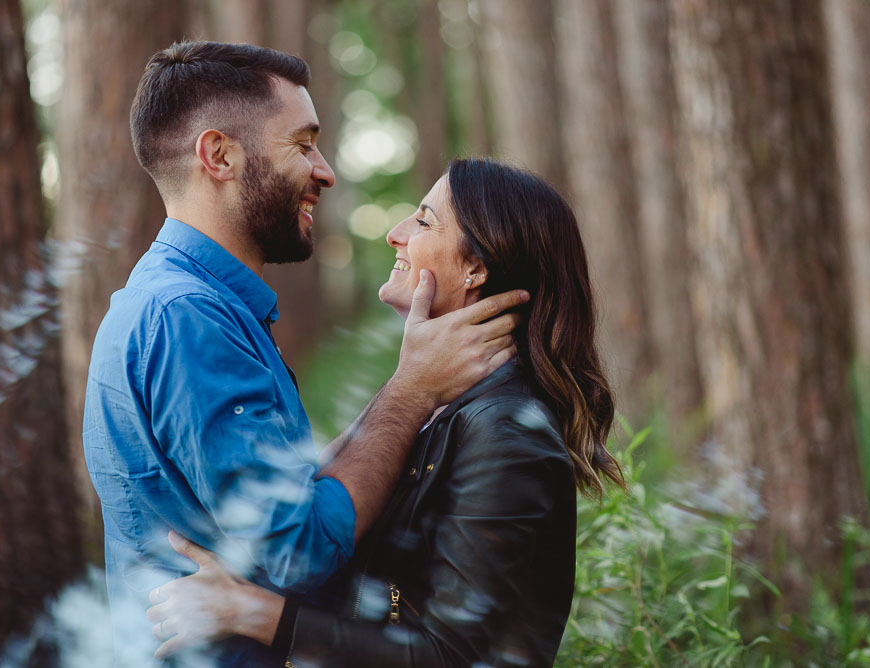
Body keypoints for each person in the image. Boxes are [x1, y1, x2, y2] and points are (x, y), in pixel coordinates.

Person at [82, 42, 527, 666]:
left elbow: (288, 505)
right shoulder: (187, 318)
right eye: (302, 143)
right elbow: (300, 546)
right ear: (219, 155)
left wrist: (414, 387)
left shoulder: (182, 305)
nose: (325, 169)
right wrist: (411, 391)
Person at [145, 157, 627, 667]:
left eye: (423, 221)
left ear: (476, 268)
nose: (396, 234)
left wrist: (253, 613)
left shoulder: (504, 429)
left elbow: (452, 656)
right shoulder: (445, 404)